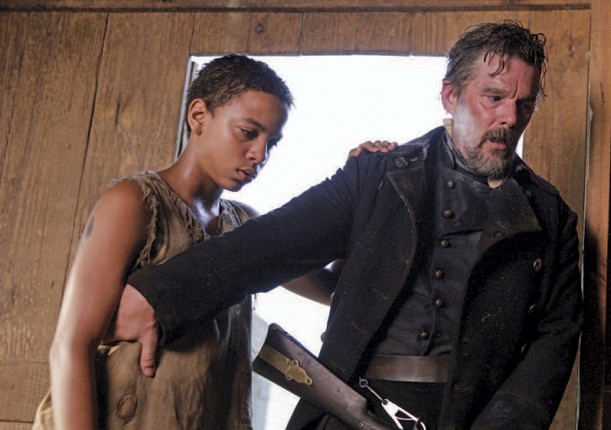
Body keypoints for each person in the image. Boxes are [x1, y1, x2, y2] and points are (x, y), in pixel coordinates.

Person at [111, 20, 583, 430]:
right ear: (450, 95)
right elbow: (273, 243)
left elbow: (553, 346)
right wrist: (163, 296)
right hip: (348, 413)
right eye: (494, 97)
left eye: (524, 105)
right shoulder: (379, 174)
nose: (509, 118)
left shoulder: (550, 215)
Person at [32, 54, 393, 430]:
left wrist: (362, 194)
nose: (259, 155)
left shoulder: (245, 224)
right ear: (199, 116)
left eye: (272, 143)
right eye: (248, 132)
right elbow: (71, 346)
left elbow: (336, 291)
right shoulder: (135, 203)